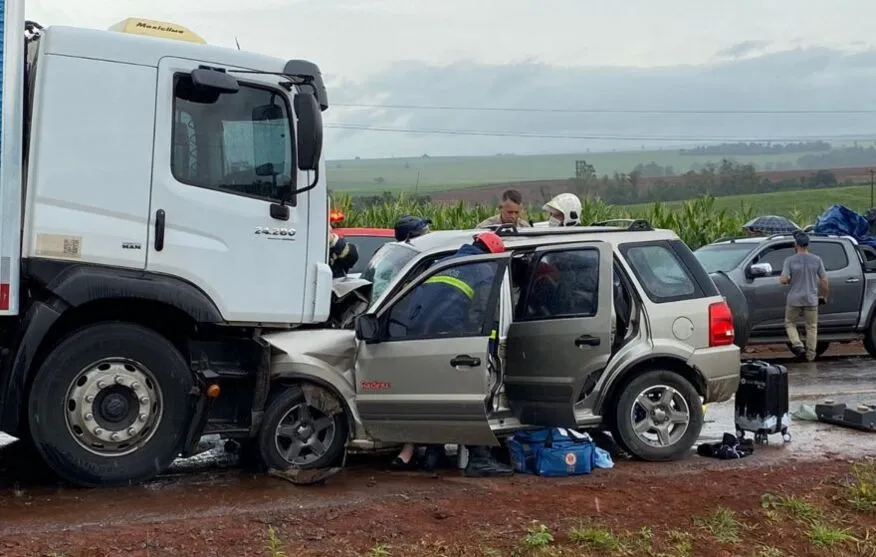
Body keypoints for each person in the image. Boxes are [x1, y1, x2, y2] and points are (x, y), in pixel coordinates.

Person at [398, 231, 514, 477]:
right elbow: (482, 314)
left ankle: (432, 454)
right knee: (471, 399)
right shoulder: (483, 270)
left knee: (439, 399)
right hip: (455, 340)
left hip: (422, 341)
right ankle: (479, 458)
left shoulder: (447, 264)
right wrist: (487, 349)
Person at [780, 232, 829, 361]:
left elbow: (784, 280)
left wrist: (789, 279)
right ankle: (811, 355)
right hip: (811, 298)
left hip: (794, 299)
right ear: (808, 244)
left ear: (796, 244)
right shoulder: (817, 259)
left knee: (790, 323)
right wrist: (824, 295)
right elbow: (824, 280)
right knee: (812, 327)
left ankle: (797, 344)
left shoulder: (789, 260)